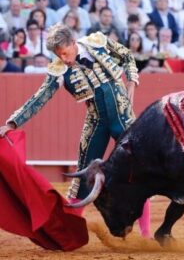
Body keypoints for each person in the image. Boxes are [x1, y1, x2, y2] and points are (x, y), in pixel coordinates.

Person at [0, 23, 151, 238]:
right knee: (83, 177)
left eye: (65, 53)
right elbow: (39, 98)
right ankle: (68, 231)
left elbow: (126, 55)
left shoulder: (97, 42)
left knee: (139, 171)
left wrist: (132, 83)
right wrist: (13, 123)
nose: (64, 59)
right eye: (59, 55)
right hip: (96, 121)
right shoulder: (59, 69)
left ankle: (146, 234)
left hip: (123, 115)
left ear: (73, 43)